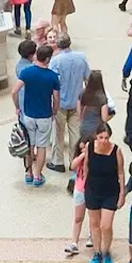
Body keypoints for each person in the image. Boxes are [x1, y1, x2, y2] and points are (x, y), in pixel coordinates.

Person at [13, 43, 61, 187]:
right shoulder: (52, 77)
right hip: (44, 115)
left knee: (30, 144)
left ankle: (28, 173)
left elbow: (14, 91)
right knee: (42, 146)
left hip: (29, 114)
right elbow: (56, 98)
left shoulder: (27, 73)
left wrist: (17, 107)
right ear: (47, 59)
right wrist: (54, 110)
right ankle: (38, 175)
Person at [82, 123, 125, 263]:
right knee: (94, 224)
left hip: (110, 191)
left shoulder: (116, 151)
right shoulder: (89, 147)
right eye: (101, 137)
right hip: (93, 189)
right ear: (96, 136)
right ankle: (97, 252)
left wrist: (122, 193)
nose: (104, 141)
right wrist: (85, 186)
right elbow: (86, 165)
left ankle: (107, 251)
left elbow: (120, 172)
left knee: (105, 225)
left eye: (106, 138)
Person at [48, 34, 90, 174]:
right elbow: (87, 79)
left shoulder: (56, 61)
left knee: (58, 133)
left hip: (60, 102)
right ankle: (74, 161)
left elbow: (52, 84)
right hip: (77, 101)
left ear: (58, 46)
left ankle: (58, 161)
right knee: (75, 133)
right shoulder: (81, 58)